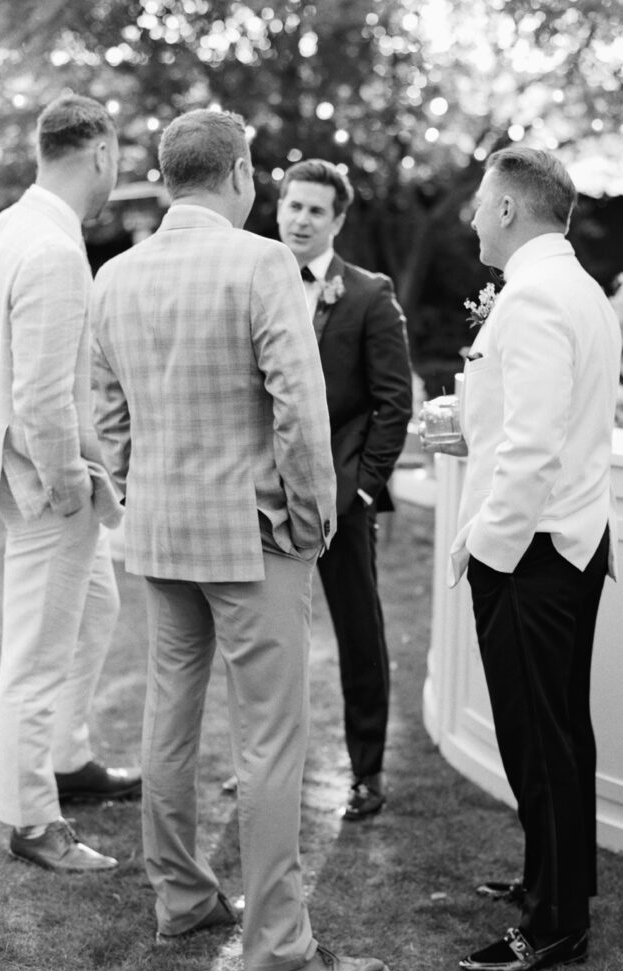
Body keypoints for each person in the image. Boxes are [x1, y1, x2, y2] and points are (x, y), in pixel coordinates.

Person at [91, 109, 388, 971]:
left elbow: (107, 417)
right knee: (269, 740)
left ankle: (181, 897)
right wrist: (311, 516)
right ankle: (280, 948)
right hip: (253, 538)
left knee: (167, 718)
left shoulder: (115, 273)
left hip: (161, 534)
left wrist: (140, 492)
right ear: (239, 173)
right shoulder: (261, 262)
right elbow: (298, 408)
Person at [423, 146, 621, 971]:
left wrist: (485, 547)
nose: (471, 216)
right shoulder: (575, 288)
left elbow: (534, 448)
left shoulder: (536, 297)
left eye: (478, 202)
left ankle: (553, 925)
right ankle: (552, 880)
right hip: (568, 541)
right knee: (558, 733)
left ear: (508, 208)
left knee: (539, 738)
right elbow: (536, 423)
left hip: (533, 552)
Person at [0, 94, 139, 875]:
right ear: (100, 156)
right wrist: (69, 487)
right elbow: (44, 398)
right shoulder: (51, 250)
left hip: (22, 473)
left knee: (98, 607)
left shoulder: (8, 228)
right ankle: (31, 820)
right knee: (36, 654)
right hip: (44, 485)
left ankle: (67, 754)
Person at [274, 158, 412, 821]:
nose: (300, 219)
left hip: (341, 497)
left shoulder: (366, 293)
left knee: (359, 633)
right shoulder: (254, 281)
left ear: (337, 219)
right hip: (265, 495)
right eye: (292, 206)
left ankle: (365, 771)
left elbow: (393, 403)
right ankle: (269, 764)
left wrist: (360, 490)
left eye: (314, 210)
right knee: (267, 636)